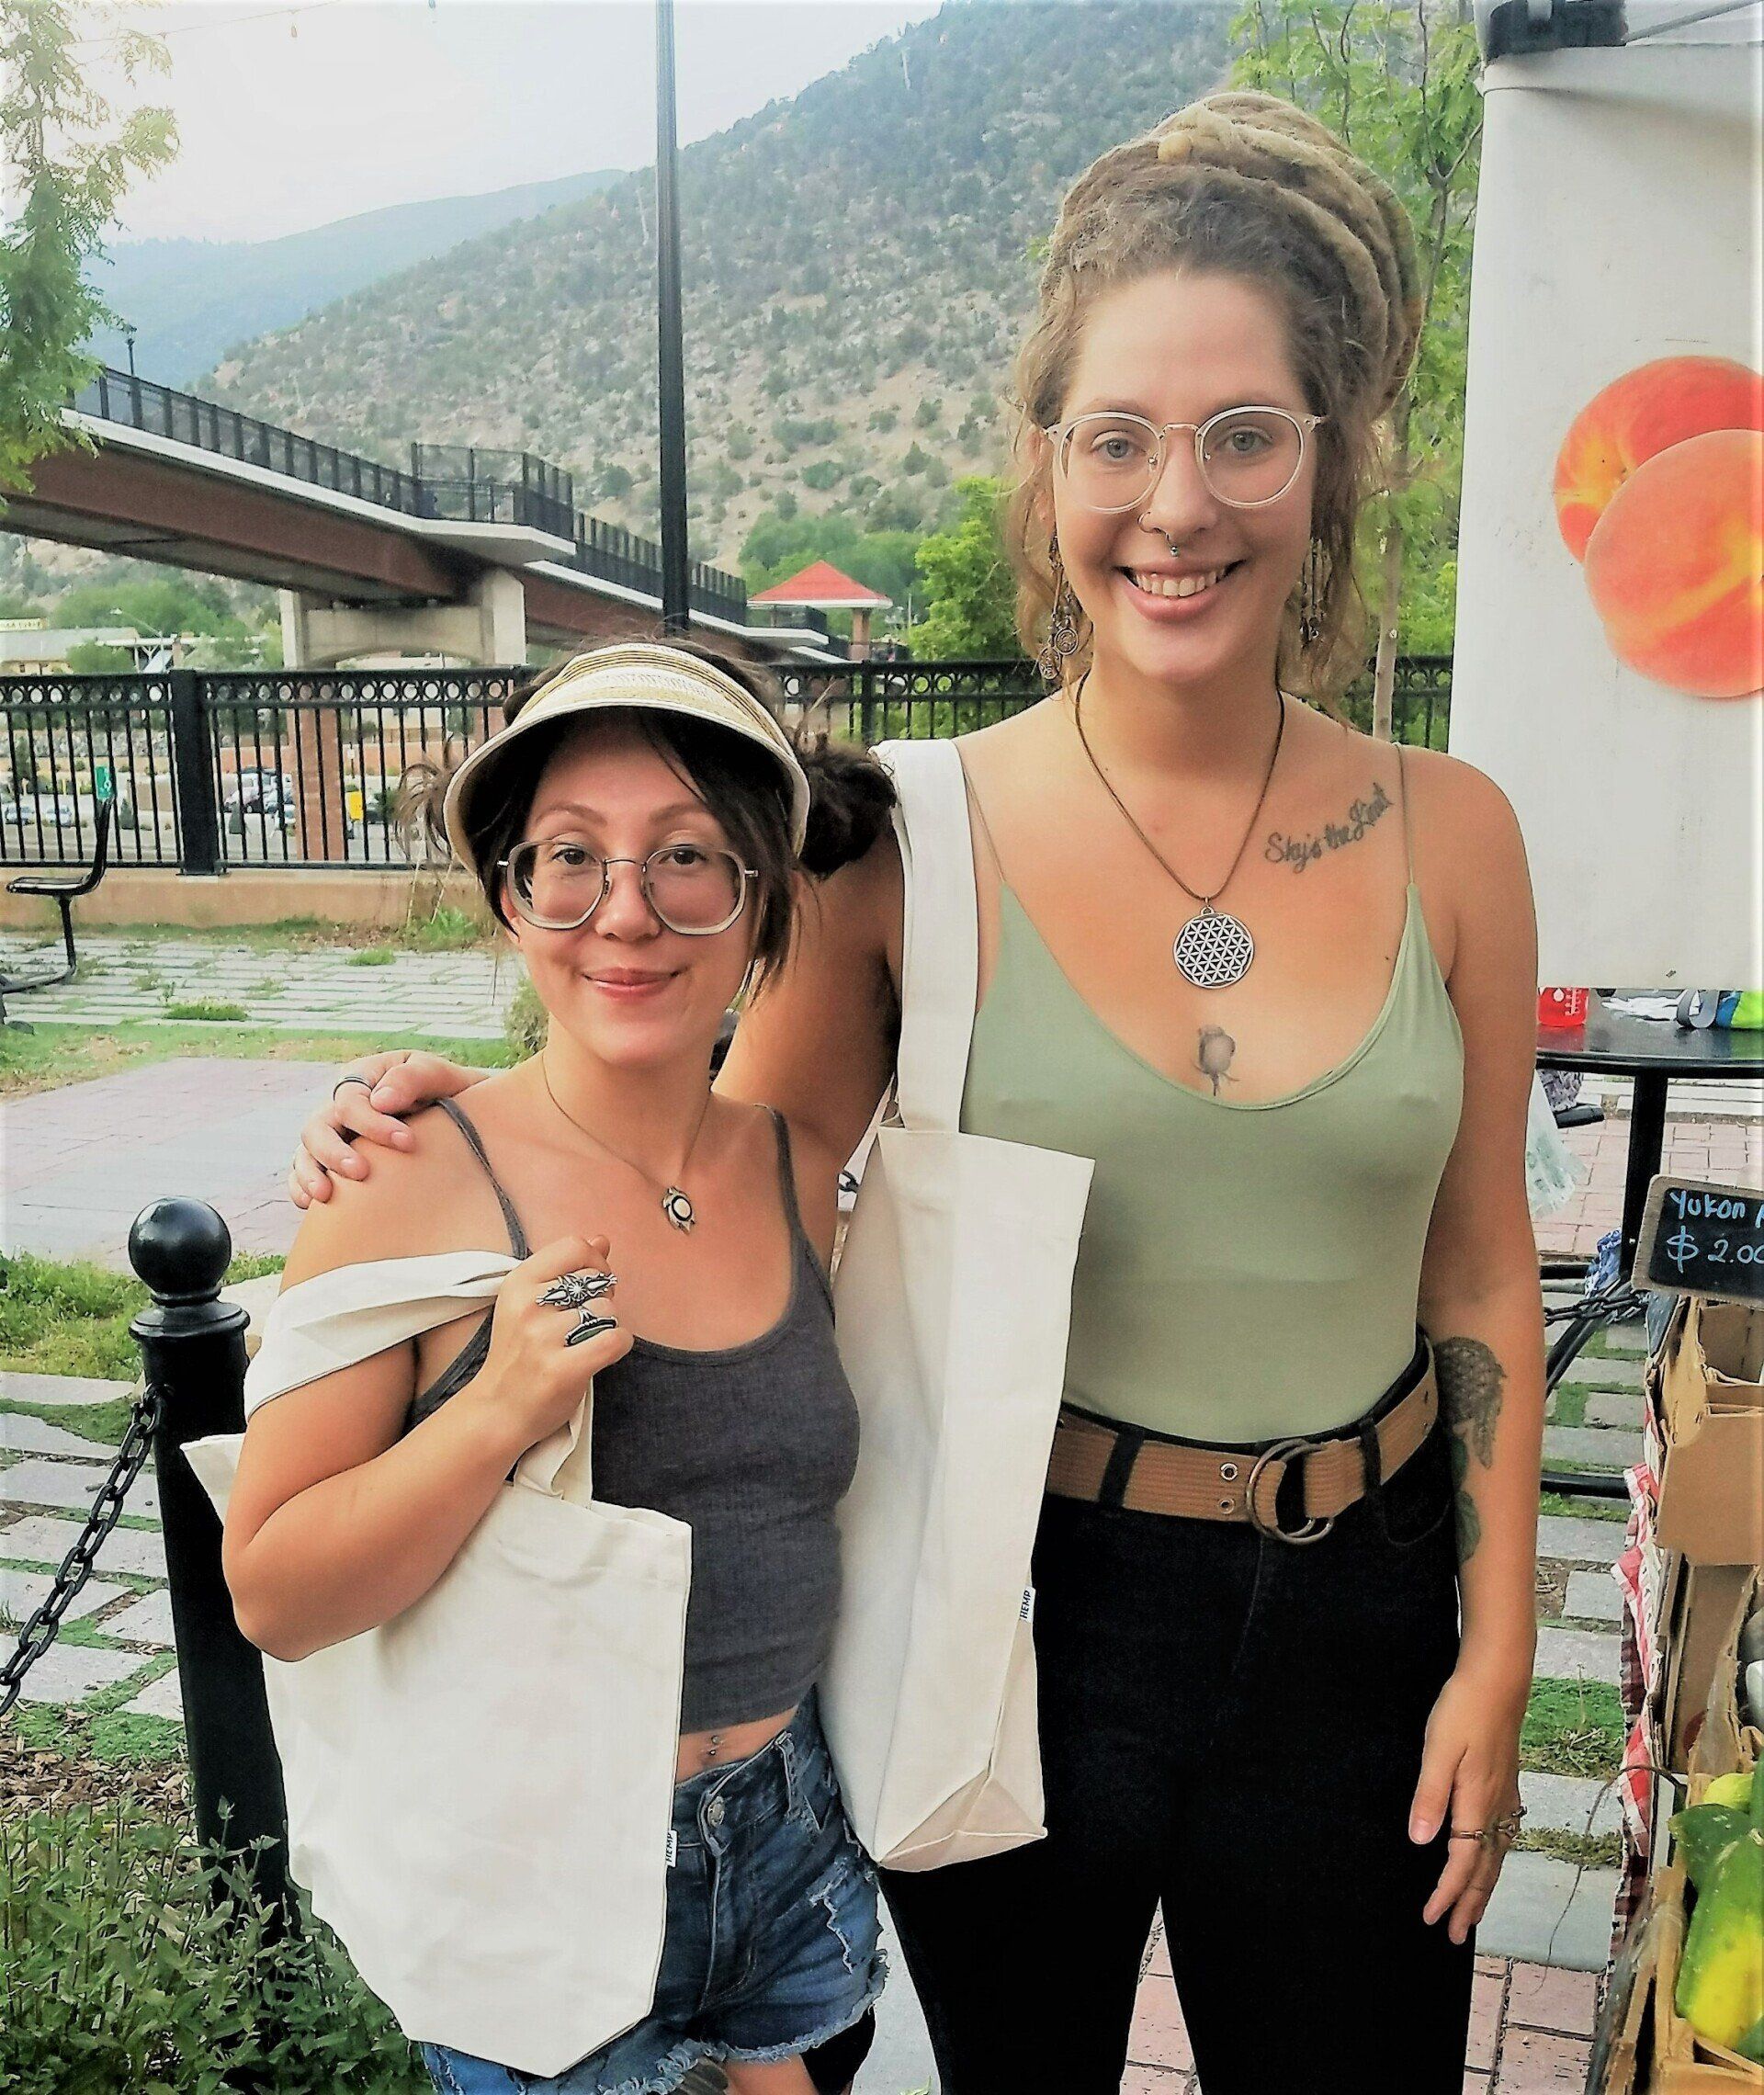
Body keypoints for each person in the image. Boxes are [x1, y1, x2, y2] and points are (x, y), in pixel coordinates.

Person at [291, 90, 1545, 2095]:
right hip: (1022, 1606)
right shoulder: (912, 844)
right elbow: (730, 1178)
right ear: (1046, 466)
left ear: (1329, 462)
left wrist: (1497, 1647)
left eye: (1246, 435)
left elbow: (1485, 1271)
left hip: (1366, 1616)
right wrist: (460, 1127)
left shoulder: (1454, 834)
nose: (1179, 505)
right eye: (1118, 438)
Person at [234, 642, 891, 2095]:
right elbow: (274, 1592)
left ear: (765, 901)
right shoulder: (403, 1181)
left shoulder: (804, 1169)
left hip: (788, 1847)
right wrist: (497, 1412)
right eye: (570, 860)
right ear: (510, 900)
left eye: (689, 859)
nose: (628, 916)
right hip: (536, 1871)